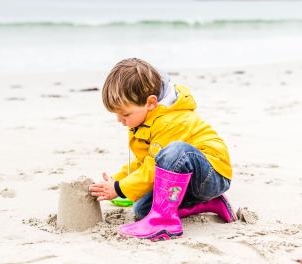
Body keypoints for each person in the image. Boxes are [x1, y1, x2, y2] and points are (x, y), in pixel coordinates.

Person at [89, 58, 235, 241]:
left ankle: (164, 223)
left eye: (125, 114)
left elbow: (153, 167)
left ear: (150, 103)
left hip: (211, 174)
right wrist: (119, 179)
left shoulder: (171, 121)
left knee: (174, 151)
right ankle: (208, 203)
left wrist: (120, 188)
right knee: (143, 209)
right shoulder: (146, 118)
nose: (120, 120)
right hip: (186, 179)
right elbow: (145, 161)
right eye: (116, 114)